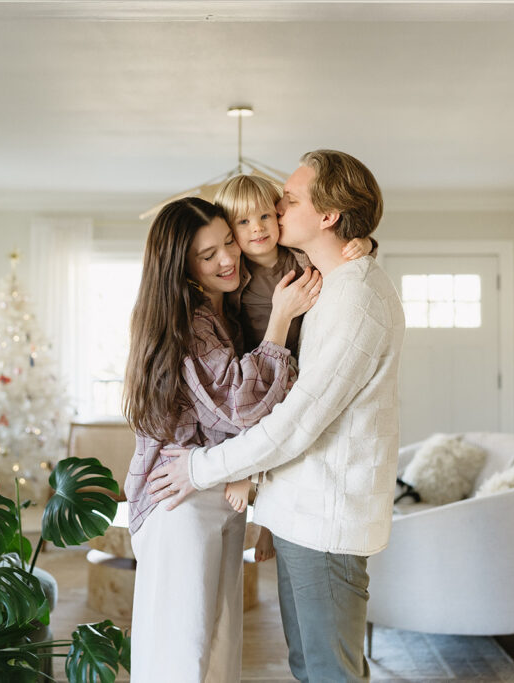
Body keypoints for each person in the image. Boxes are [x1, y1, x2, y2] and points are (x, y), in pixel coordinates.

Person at [148, 150, 405, 682]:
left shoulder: (354, 295)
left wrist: (200, 468)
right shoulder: (327, 284)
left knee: (327, 673)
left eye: (288, 200)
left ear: (329, 216)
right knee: (309, 668)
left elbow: (297, 420)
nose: (275, 210)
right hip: (301, 512)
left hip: (325, 518)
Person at [122, 196, 322, 682]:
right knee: (181, 652)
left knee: (217, 647)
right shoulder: (188, 320)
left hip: (213, 488)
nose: (228, 259)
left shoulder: (226, 313)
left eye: (228, 242)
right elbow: (240, 404)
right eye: (207, 255)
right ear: (182, 267)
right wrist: (280, 320)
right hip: (177, 497)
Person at [213, 173, 373, 562]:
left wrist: (365, 242)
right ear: (231, 232)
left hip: (305, 359)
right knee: (252, 420)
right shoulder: (236, 278)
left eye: (266, 216)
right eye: (244, 223)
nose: (258, 229)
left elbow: (338, 253)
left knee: (290, 441)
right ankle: (244, 477)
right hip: (262, 360)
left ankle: (269, 525)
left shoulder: (297, 256)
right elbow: (231, 332)